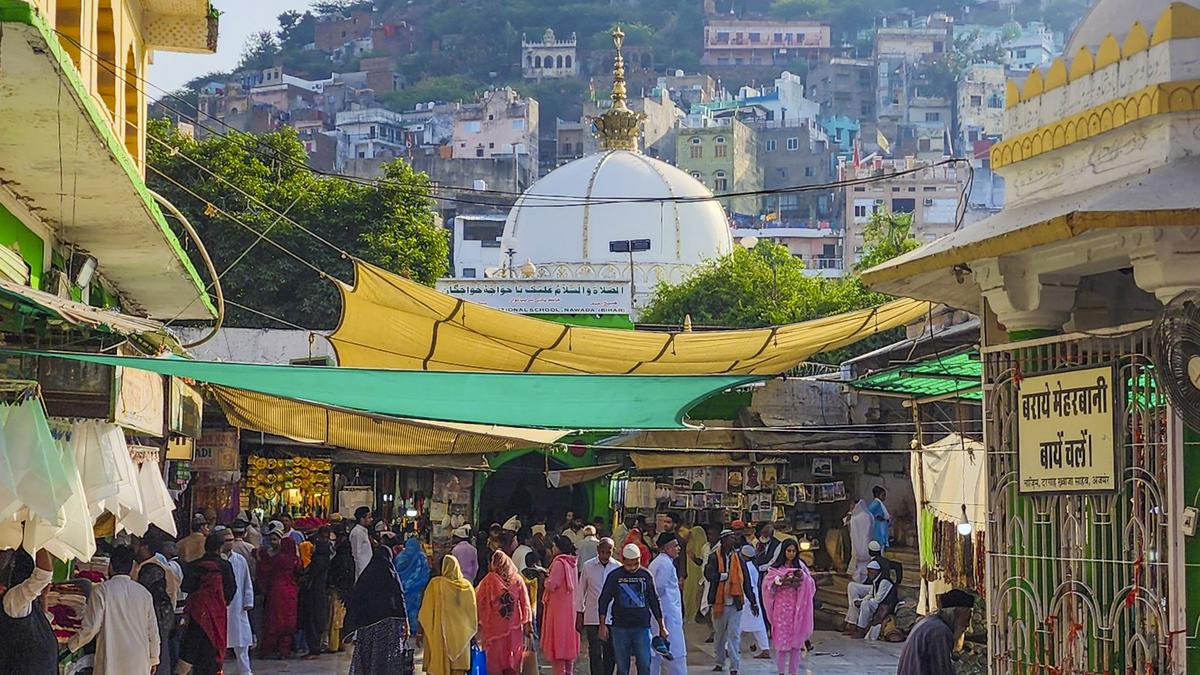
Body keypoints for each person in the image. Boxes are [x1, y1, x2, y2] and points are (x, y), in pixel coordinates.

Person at [67, 545, 160, 674]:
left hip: (112, 658)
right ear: (132, 567)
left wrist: (71, 646)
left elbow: (91, 628)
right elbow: (153, 631)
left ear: (110, 566)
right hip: (139, 660)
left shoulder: (102, 591)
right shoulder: (144, 593)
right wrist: (154, 659)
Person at [597, 543, 667, 675]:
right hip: (620, 627)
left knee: (644, 664)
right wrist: (602, 625)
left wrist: (661, 626)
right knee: (622, 667)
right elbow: (604, 600)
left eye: (636, 564)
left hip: (642, 628)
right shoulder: (614, 576)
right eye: (629, 564)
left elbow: (654, 601)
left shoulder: (646, 575)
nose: (633, 568)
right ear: (623, 560)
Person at [344, 543, 410, 674]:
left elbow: (356, 599)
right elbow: (399, 597)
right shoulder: (391, 575)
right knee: (388, 656)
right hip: (389, 624)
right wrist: (405, 620)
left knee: (369, 656)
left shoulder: (366, 576)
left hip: (367, 624)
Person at [178, 532, 236, 675]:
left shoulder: (194, 566)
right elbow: (231, 590)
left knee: (193, 649)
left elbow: (185, 586)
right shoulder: (225, 566)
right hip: (217, 615)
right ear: (220, 548)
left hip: (196, 615)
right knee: (213, 649)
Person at [704, 528, 759, 674]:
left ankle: (735, 666)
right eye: (729, 538)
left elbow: (746, 581)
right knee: (720, 634)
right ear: (723, 540)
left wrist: (753, 601)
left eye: (733, 538)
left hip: (735, 602)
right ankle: (719, 662)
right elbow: (709, 575)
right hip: (718, 601)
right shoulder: (714, 557)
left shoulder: (738, 558)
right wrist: (722, 576)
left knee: (733, 634)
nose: (732, 541)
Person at [762, 540, 817, 675]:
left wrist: (802, 577)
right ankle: (781, 672)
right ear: (784, 552)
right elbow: (767, 585)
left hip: (797, 608)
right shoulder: (776, 568)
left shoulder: (801, 567)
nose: (791, 554)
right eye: (788, 551)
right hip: (781, 609)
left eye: (793, 551)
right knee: (781, 642)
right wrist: (779, 580)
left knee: (795, 643)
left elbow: (811, 584)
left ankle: (793, 672)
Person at [476, 550, 533, 675]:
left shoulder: (488, 581)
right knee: (513, 657)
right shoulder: (517, 579)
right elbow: (525, 603)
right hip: (514, 627)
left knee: (494, 660)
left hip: (493, 629)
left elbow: (479, 601)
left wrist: (479, 622)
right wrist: (527, 622)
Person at [0, 548, 57, 674]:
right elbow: (44, 574)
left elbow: (43, 622)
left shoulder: (25, 603)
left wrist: (44, 598)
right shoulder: (13, 600)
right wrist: (38, 538)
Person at [420, 555, 478, 675]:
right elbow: (472, 614)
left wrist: (421, 632)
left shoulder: (435, 584)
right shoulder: (466, 586)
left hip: (439, 635)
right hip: (461, 636)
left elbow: (426, 612)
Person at [897, 589, 976, 675]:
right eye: (967, 618)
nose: (968, 624)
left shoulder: (931, 622)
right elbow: (941, 670)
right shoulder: (939, 631)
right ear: (955, 614)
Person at [134, 529, 179, 672]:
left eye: (137, 545)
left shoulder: (148, 569)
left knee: (156, 658)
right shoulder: (166, 569)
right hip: (165, 619)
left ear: (145, 547)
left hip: (154, 620)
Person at [576, 537, 619, 675]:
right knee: (595, 652)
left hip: (612, 617)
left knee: (610, 651)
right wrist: (579, 613)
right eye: (602, 552)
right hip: (592, 616)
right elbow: (581, 590)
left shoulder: (617, 567)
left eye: (608, 552)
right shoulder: (588, 566)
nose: (605, 556)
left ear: (613, 551)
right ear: (597, 551)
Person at [648, 533, 687, 675]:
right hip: (667, 614)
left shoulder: (663, 562)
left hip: (665, 613)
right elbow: (658, 588)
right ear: (665, 548)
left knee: (656, 654)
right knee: (675, 652)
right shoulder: (664, 564)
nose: (678, 549)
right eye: (675, 546)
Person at [257, 532, 300, 659]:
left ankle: (266, 650)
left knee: (273, 620)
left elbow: (266, 569)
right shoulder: (296, 560)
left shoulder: (278, 559)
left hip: (276, 592)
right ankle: (284, 651)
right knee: (288, 621)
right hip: (291, 592)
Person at [218, 527, 254, 674]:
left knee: (242, 641)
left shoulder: (240, 560)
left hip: (238, 607)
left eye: (232, 540)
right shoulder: (218, 561)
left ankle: (245, 670)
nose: (230, 543)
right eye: (227, 540)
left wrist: (248, 601)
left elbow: (247, 581)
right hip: (222, 606)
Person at [542, 535, 580, 675]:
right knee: (567, 644)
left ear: (559, 547)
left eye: (554, 546)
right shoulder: (572, 562)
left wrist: (545, 578)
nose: (552, 549)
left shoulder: (559, 563)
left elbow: (552, 585)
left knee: (558, 644)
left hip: (558, 609)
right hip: (570, 608)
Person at [300, 527, 332, 658]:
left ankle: (314, 649)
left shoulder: (318, 561)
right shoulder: (325, 559)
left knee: (312, 620)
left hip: (314, 594)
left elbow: (311, 575)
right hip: (320, 593)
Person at [847, 560, 895, 639]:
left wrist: (864, 602)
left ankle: (861, 629)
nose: (869, 573)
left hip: (885, 605)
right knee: (861, 602)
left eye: (871, 571)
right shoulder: (875, 581)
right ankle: (854, 624)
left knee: (866, 604)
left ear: (877, 571)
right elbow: (871, 594)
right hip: (877, 603)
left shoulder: (884, 581)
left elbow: (878, 599)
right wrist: (861, 600)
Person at [738, 544, 770, 659]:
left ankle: (729, 648)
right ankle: (765, 648)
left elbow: (747, 585)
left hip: (748, 599)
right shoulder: (753, 566)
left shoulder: (747, 568)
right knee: (754, 625)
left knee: (737, 625)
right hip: (751, 598)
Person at [327, 524, 355, 652]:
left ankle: (334, 645)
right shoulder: (348, 556)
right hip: (346, 590)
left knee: (336, 618)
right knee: (341, 618)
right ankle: (341, 643)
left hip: (339, 591)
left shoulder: (339, 557)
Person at [394, 537, 432, 633]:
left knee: (403, 608)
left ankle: (403, 629)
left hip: (402, 588)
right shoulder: (421, 557)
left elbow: (395, 572)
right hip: (417, 590)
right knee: (416, 611)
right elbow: (426, 573)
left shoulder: (400, 557)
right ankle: (414, 630)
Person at [683, 524, 707, 623]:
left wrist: (694, 558)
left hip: (697, 576)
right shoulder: (687, 545)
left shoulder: (704, 548)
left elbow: (701, 561)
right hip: (688, 575)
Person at [846, 499, 874, 582]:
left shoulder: (854, 518)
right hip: (866, 541)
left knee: (857, 561)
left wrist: (850, 512)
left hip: (857, 542)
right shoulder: (869, 515)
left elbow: (846, 522)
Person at [350, 506, 374, 582]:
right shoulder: (357, 532)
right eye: (369, 517)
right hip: (362, 568)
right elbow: (356, 554)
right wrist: (361, 573)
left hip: (367, 567)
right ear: (362, 519)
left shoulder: (363, 531)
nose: (371, 519)